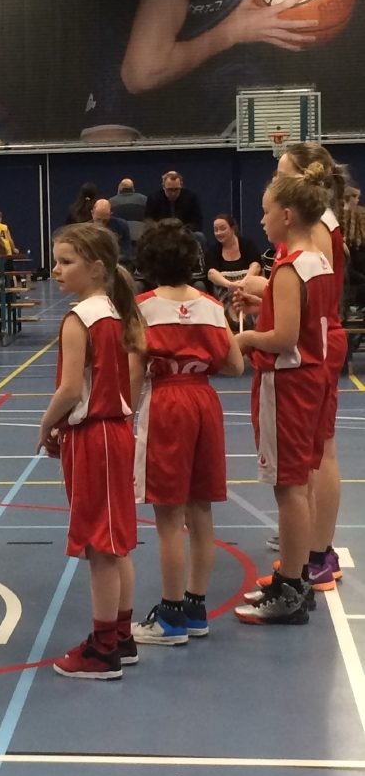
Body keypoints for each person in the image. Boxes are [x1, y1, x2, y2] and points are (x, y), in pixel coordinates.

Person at [82, 0, 357, 142]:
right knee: (107, 154)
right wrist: (233, 31)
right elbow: (141, 74)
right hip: (141, 36)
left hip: (228, 35)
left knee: (277, 146)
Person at [38, 222, 145, 680]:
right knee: (116, 543)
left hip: (95, 436)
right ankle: (121, 635)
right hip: (116, 433)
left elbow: (69, 389)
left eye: (66, 261)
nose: (56, 270)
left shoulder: (80, 318)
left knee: (100, 547)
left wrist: (47, 423)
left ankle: (103, 651)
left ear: (96, 268)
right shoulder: (114, 312)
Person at [130, 220, 243, 644]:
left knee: (168, 516)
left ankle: (171, 616)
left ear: (147, 264)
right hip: (203, 401)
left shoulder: (142, 308)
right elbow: (235, 365)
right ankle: (196, 608)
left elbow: (132, 376)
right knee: (201, 509)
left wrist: (123, 419)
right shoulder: (211, 306)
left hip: (167, 402)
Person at [233, 164, 335, 626]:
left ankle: (291, 587)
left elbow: (285, 338)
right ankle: (295, 579)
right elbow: (304, 321)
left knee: (288, 487)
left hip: (288, 384)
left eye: (266, 211)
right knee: (298, 484)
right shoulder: (319, 261)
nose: (262, 220)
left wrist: (245, 338)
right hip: (313, 380)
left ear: (288, 215)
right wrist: (265, 305)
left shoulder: (291, 267)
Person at [205, 213, 262, 322]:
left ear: (232, 228)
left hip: (247, 289)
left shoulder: (247, 244)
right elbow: (211, 273)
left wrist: (244, 283)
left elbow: (256, 266)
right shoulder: (212, 250)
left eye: (223, 229)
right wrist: (229, 285)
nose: (219, 233)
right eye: (216, 230)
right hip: (225, 292)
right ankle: (231, 321)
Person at [91, 197, 132, 263]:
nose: (101, 224)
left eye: (105, 220)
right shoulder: (85, 230)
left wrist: (111, 260)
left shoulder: (121, 226)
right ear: (92, 213)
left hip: (117, 263)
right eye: (98, 219)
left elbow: (126, 252)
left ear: (110, 215)